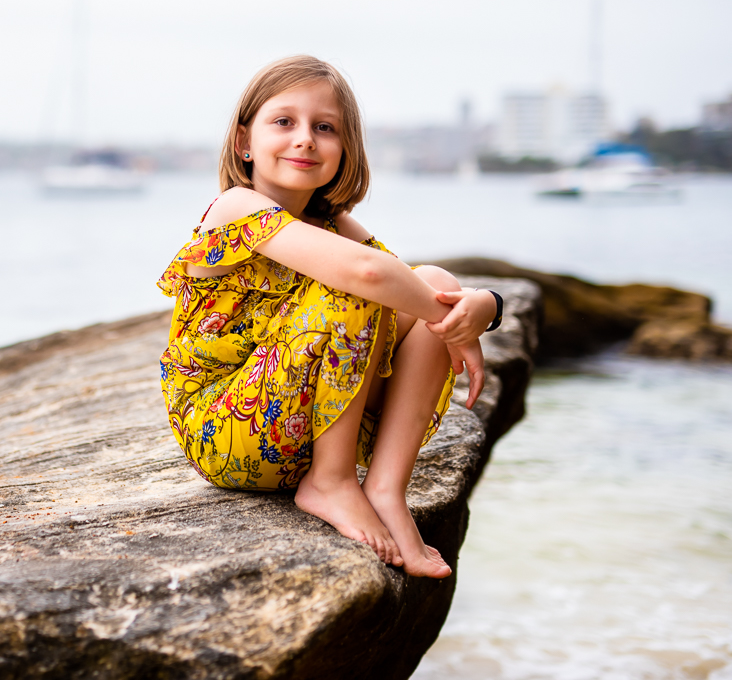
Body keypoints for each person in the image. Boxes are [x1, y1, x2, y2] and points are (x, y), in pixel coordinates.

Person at [157, 55, 502, 578]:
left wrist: (481, 305)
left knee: (434, 282)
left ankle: (385, 489)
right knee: (360, 287)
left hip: (296, 426)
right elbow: (368, 276)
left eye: (325, 127)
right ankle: (332, 482)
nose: (305, 139)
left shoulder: (331, 222)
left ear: (346, 149)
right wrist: (455, 323)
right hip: (224, 427)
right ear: (243, 142)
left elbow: (405, 281)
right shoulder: (234, 207)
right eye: (283, 122)